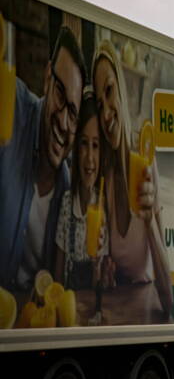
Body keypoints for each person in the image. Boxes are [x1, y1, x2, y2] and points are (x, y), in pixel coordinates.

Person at [0, 26, 86, 291]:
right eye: (60, 94)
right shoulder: (11, 106)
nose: (62, 121)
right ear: (48, 76)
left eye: (73, 113)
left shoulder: (68, 191)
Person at [93, 40, 173, 320]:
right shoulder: (105, 177)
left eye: (110, 92)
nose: (106, 114)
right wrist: (103, 270)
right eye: (99, 103)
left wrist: (150, 220)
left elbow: (169, 299)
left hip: (149, 311)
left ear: (122, 92)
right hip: (120, 313)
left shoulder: (145, 165)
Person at [54, 92, 108, 290]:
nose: (90, 158)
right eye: (84, 144)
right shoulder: (67, 204)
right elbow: (58, 280)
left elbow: (100, 288)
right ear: (77, 148)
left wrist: (98, 266)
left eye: (95, 146)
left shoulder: (103, 211)